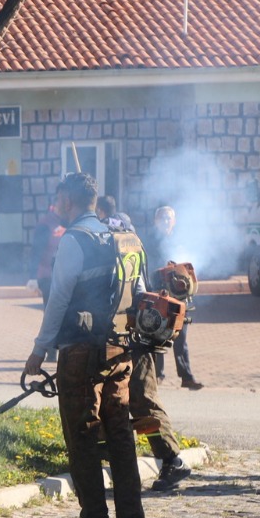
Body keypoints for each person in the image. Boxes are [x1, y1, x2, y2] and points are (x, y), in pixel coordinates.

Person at [23, 172, 144, 518]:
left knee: (83, 432)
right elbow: (140, 290)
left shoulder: (74, 241)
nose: (56, 205)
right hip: (120, 348)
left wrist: (39, 350)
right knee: (120, 431)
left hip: (80, 350)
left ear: (69, 200)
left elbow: (58, 298)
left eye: (58, 198)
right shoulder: (125, 238)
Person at [94, 205, 190, 493]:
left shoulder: (123, 256)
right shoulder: (132, 251)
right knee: (121, 401)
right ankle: (112, 453)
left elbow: (133, 295)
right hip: (126, 338)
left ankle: (172, 460)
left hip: (133, 339)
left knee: (143, 403)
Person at [146, 205, 203, 390]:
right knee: (158, 336)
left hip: (178, 297)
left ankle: (186, 376)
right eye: (162, 218)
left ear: (174, 221)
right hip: (159, 295)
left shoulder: (181, 241)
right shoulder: (150, 243)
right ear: (155, 221)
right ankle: (157, 375)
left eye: (168, 218)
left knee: (181, 337)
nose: (165, 221)